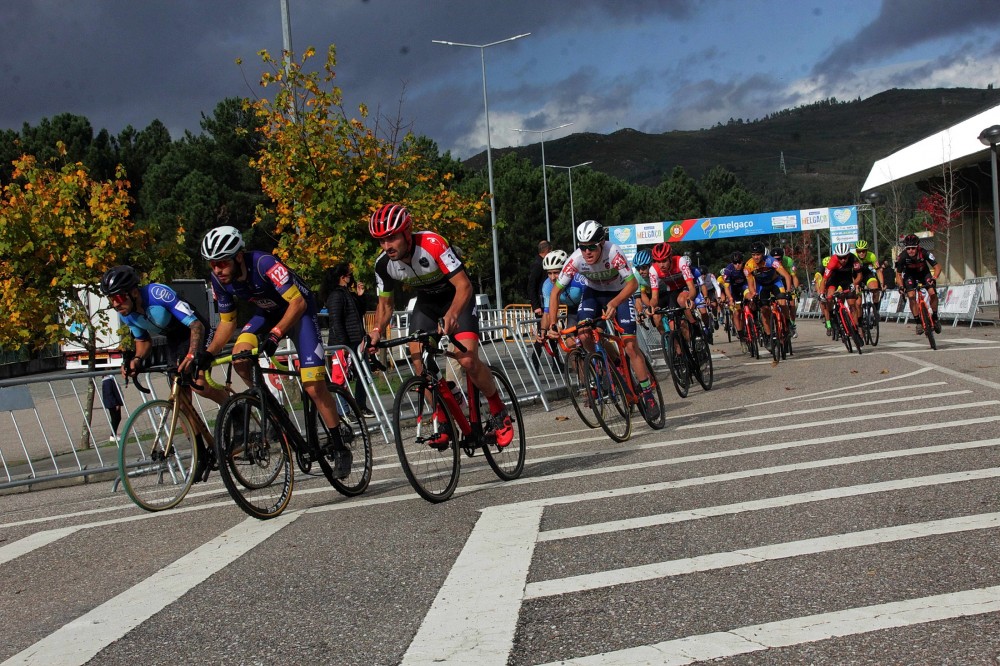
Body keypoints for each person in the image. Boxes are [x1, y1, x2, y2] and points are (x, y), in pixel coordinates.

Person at [199, 225, 353, 478]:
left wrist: (277, 334)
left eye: (222, 263)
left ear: (238, 256)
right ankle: (271, 409)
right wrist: (209, 352)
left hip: (299, 313)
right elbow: (228, 322)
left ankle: (339, 447)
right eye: (212, 264)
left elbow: (298, 302)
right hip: (267, 314)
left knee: (313, 385)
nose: (217, 270)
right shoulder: (219, 280)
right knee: (240, 358)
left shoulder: (264, 263)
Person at [366, 203, 514, 447]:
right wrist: (375, 332)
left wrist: (453, 314)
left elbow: (464, 285)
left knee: (466, 359)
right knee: (419, 364)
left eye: (391, 238)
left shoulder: (433, 244)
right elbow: (385, 306)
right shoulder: (383, 264)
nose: (386, 246)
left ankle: (499, 411)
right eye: (381, 241)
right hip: (427, 305)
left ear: (406, 232)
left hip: (457, 297)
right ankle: (444, 419)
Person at [99, 265, 221, 479]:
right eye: (111, 300)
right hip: (174, 341)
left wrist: (193, 355)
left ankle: (234, 410)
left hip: (196, 330)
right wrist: (136, 361)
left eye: (118, 297)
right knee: (180, 402)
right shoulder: (128, 314)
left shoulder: (157, 293)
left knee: (199, 383)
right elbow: (143, 341)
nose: (115, 304)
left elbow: (195, 326)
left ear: (134, 292)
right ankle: (201, 452)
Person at [543, 220, 659, 420]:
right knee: (584, 333)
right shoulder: (576, 259)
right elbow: (555, 293)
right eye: (582, 247)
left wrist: (615, 302)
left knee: (630, 346)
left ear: (602, 243)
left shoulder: (613, 252)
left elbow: (632, 285)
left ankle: (648, 394)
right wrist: (553, 323)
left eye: (591, 247)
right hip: (593, 294)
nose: (587, 252)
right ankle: (609, 363)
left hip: (620, 293)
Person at [323, 263, 376, 420]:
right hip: (343, 343)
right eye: (349, 274)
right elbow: (336, 321)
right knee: (341, 378)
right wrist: (343, 344)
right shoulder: (335, 296)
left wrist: (360, 296)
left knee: (364, 374)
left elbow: (360, 312)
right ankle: (343, 411)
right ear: (342, 277)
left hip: (357, 341)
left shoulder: (348, 294)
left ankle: (360, 405)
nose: (351, 277)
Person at [743, 241, 794, 349]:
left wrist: (789, 291)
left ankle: (788, 323)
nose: (756, 257)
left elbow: (786, 276)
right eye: (753, 255)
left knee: (782, 301)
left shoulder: (771, 261)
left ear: (763, 254)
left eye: (758, 254)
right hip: (762, 286)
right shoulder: (748, 266)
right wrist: (754, 295)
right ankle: (768, 336)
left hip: (775, 282)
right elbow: (751, 284)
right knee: (764, 310)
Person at [895, 233, 943, 335]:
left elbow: (937, 267)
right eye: (908, 249)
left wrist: (934, 278)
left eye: (913, 248)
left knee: (932, 292)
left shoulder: (924, 252)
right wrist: (900, 286)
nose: (910, 251)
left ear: (917, 247)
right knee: (911, 296)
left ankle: (935, 316)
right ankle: (918, 322)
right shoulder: (902, 256)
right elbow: (898, 274)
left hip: (924, 273)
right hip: (910, 276)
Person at [822, 242, 864, 335]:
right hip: (834, 279)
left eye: (845, 257)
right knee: (829, 296)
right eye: (840, 257)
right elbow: (824, 280)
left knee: (852, 304)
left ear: (848, 254)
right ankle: (831, 316)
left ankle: (855, 327)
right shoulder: (832, 261)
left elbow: (859, 276)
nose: (843, 260)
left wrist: (854, 284)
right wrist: (821, 293)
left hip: (847, 280)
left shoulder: (853, 259)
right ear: (837, 256)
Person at [527, 240, 551, 373]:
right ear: (547, 250)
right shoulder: (537, 265)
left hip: (545, 303)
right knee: (542, 334)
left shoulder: (542, 263)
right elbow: (531, 286)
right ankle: (535, 360)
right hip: (541, 306)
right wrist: (536, 306)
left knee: (549, 332)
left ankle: (557, 362)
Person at [101, 374, 123, 444]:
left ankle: (114, 434)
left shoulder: (110, 380)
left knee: (116, 418)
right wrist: (115, 403)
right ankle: (113, 435)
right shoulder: (107, 381)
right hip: (112, 403)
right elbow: (109, 393)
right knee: (116, 418)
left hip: (113, 402)